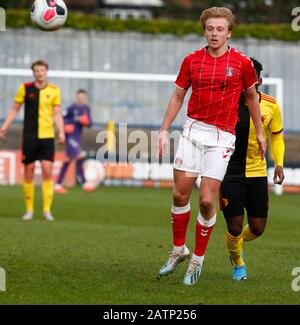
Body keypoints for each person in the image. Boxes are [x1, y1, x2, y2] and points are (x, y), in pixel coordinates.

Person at [157, 7, 266, 286]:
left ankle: (198, 259)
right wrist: (164, 129)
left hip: (222, 137)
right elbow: (178, 95)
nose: (214, 34)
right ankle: (179, 249)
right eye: (210, 29)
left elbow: (252, 99)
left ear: (229, 32)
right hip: (193, 131)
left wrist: (261, 133)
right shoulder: (192, 60)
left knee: (206, 200)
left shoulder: (242, 63)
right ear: (204, 30)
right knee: (180, 196)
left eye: (220, 29)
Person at [220, 58, 285, 281]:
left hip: (258, 173)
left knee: (257, 228)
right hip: (230, 171)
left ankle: (234, 243)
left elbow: (276, 137)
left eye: (251, 77)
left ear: (258, 80)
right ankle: (238, 263)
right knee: (235, 225)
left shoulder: (271, 105)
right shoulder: (225, 101)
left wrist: (279, 163)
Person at [0, 60, 65, 221]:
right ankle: (29, 210)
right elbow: (15, 109)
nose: (39, 73)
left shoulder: (54, 90)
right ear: (33, 73)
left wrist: (61, 132)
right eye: (36, 70)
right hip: (29, 135)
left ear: (46, 71)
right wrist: (4, 127)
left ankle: (46, 210)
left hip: (47, 135)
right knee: (28, 171)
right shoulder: (25, 88)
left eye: (42, 70)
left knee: (47, 168)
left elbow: (56, 114)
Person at [54, 89, 93, 193]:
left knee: (68, 160)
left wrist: (86, 122)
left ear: (85, 98)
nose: (81, 98)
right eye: (79, 97)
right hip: (70, 136)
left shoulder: (86, 108)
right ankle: (85, 183)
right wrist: (67, 125)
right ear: (76, 97)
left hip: (77, 137)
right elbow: (62, 119)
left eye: (82, 97)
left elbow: (89, 124)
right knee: (80, 155)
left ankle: (57, 184)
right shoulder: (71, 108)